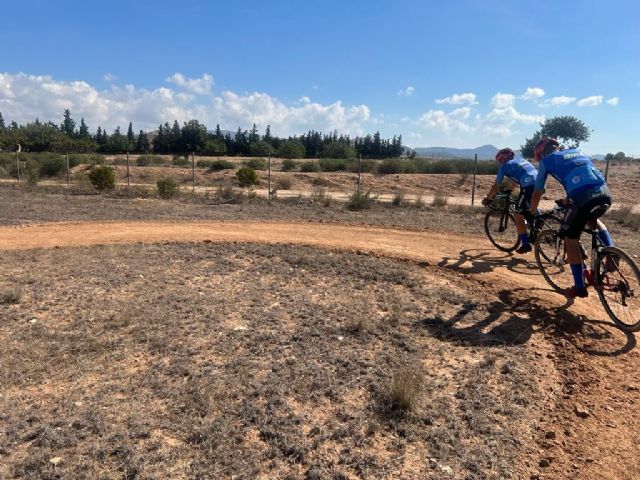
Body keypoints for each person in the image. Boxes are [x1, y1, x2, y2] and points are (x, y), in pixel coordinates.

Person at [529, 137, 614, 298]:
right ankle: (611, 253)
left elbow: (537, 192)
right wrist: (567, 200)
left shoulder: (547, 161)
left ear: (540, 154)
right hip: (604, 193)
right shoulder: (577, 151)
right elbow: (585, 178)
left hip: (581, 198)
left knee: (571, 239)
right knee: (593, 220)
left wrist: (532, 212)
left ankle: (579, 287)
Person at [483, 147, 538, 254]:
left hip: (528, 186)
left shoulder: (504, 167)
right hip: (540, 185)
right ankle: (537, 226)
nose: (499, 163)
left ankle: (526, 245)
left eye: (499, 161)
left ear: (502, 159)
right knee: (530, 207)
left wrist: (488, 199)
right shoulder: (521, 161)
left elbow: (495, 187)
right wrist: (509, 190)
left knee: (518, 215)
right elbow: (517, 178)